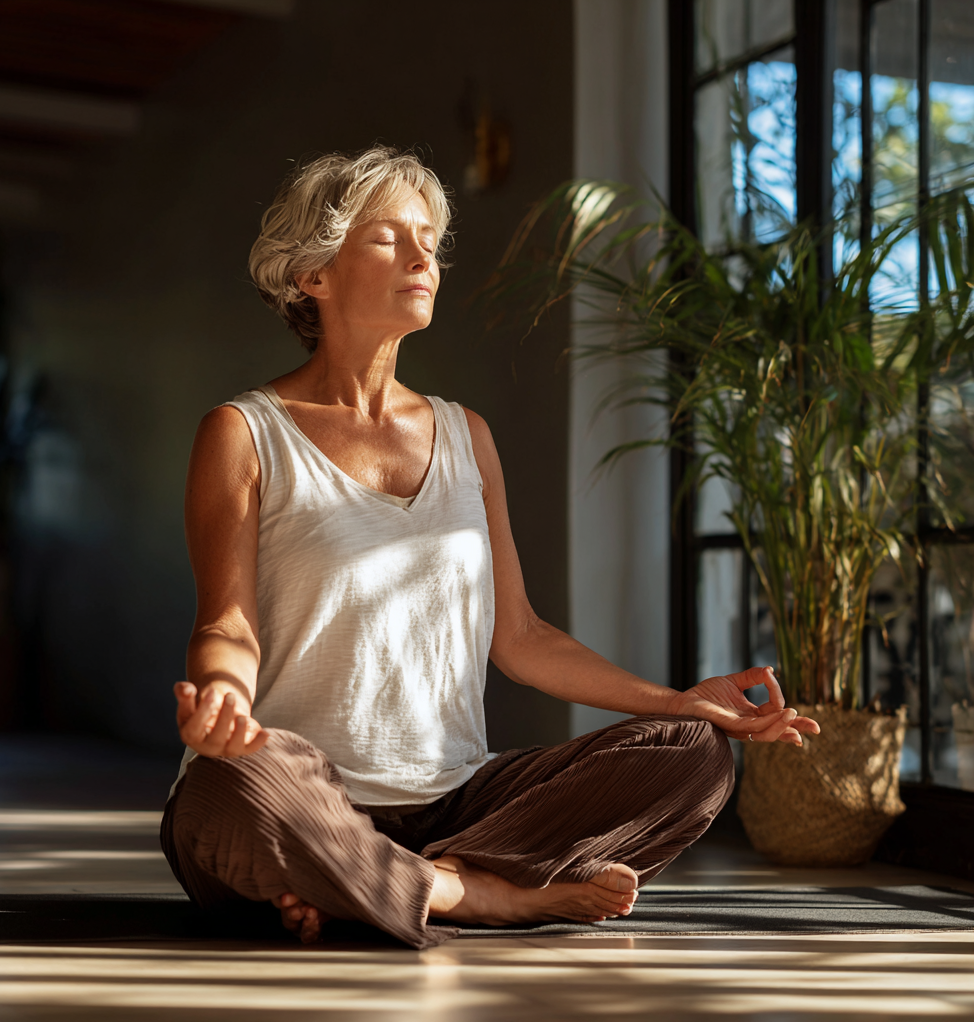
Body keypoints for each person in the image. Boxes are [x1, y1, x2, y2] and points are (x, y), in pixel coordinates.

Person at [160, 145, 819, 949]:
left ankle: (387, 881)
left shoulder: (466, 435)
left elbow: (522, 638)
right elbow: (227, 622)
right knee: (228, 791)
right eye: (388, 237)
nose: (421, 257)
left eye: (430, 240)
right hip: (299, 786)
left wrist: (678, 701)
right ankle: (485, 896)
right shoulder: (244, 434)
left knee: (694, 755)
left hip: (460, 803)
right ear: (313, 274)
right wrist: (224, 697)